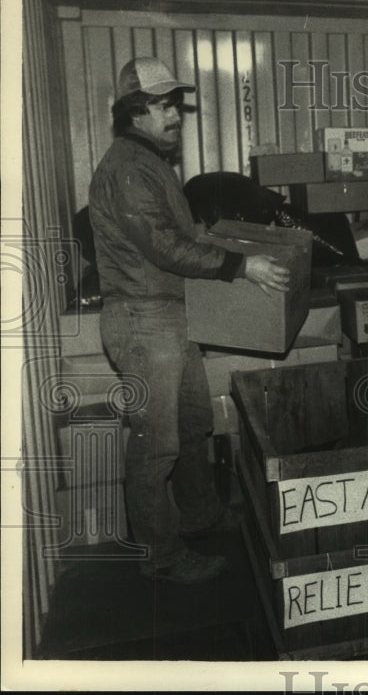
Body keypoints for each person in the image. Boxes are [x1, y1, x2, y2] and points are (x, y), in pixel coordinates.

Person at [89, 57, 290, 584]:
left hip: (171, 317)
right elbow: (161, 245)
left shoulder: (152, 163)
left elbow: (179, 231)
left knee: (194, 422)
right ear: (135, 112)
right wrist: (241, 265)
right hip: (141, 318)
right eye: (162, 105)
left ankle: (201, 517)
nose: (174, 113)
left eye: (175, 103)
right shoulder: (129, 168)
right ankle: (163, 554)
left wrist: (211, 235)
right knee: (157, 445)